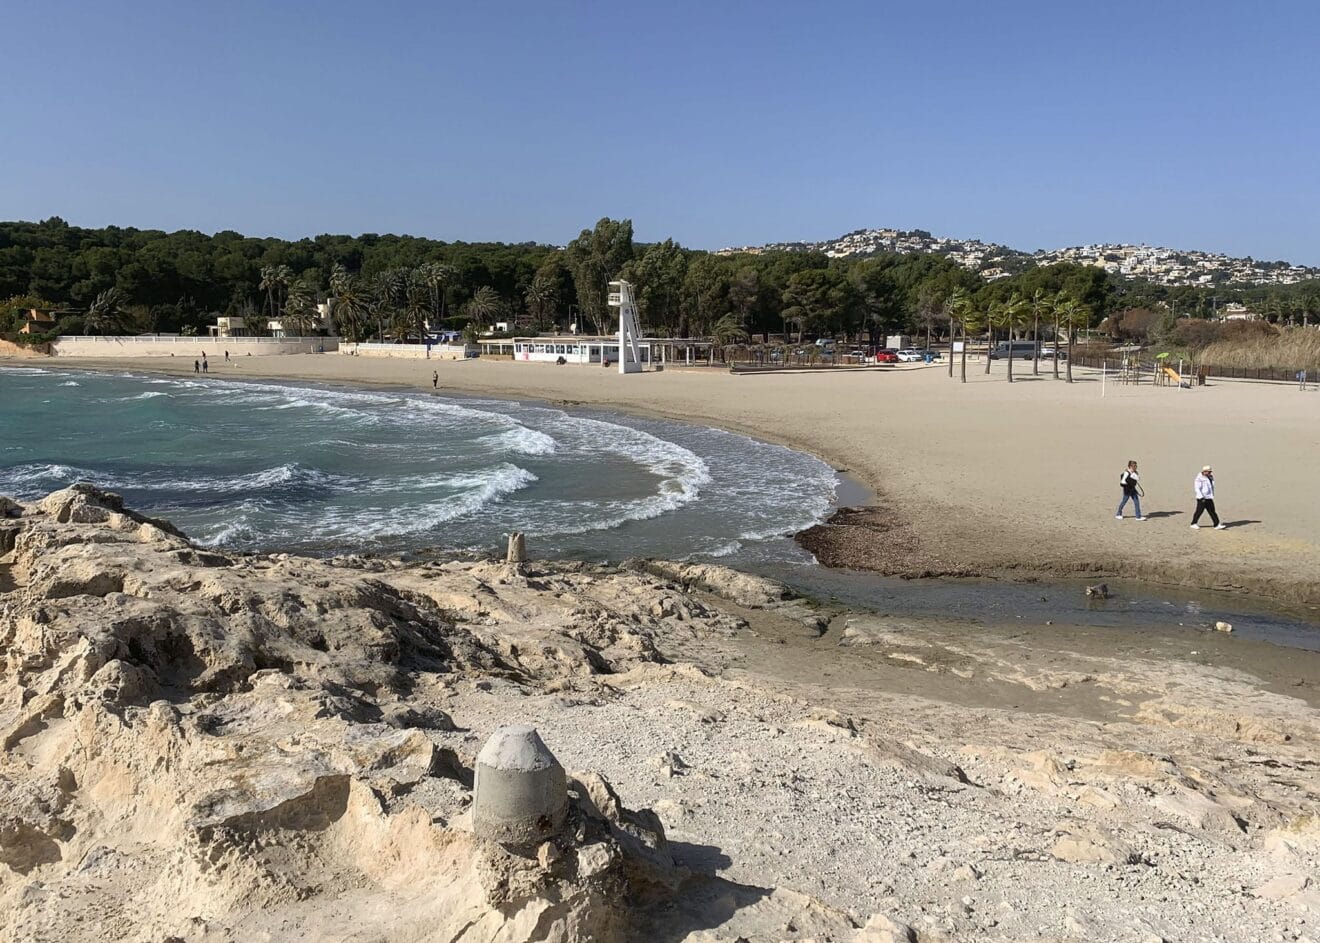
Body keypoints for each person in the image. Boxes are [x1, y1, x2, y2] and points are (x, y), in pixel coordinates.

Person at [1191, 465, 1226, 529]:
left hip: (1209, 497)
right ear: (1204, 471)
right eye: (1209, 472)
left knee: (1212, 511)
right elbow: (1197, 488)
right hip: (1202, 498)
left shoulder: (1210, 477)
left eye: (1210, 472)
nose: (1210, 473)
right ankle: (1193, 523)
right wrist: (1201, 497)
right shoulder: (1199, 478)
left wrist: (1211, 495)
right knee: (1199, 511)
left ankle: (1217, 524)